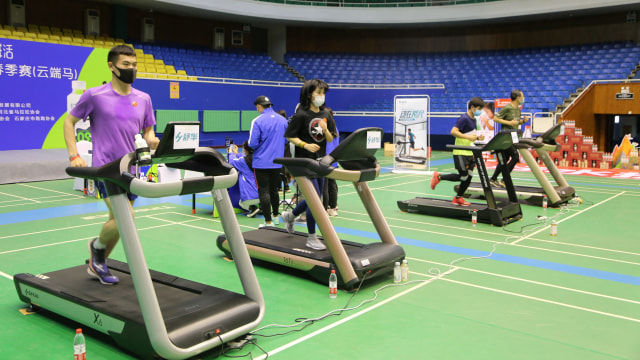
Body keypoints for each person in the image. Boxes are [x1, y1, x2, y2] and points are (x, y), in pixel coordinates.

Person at [64, 45, 159, 285]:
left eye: (134, 65)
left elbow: (148, 132)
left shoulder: (144, 99)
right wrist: (73, 154)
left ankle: (97, 263)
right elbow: (69, 122)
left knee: (116, 220)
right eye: (126, 65)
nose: (131, 69)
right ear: (111, 66)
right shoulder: (95, 96)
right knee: (125, 218)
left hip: (134, 170)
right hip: (107, 169)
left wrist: (155, 141)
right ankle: (97, 249)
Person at [282, 79, 336, 250]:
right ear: (308, 94)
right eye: (318, 92)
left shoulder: (326, 115)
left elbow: (330, 138)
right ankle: (311, 237)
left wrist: (325, 129)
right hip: (304, 163)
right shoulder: (301, 115)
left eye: (323, 93)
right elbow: (290, 135)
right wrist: (304, 145)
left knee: (316, 199)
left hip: (320, 162)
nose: (321, 96)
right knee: (315, 202)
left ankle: (290, 215)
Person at [430, 97, 485, 206]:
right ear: (472, 107)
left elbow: (469, 135)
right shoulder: (464, 118)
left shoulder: (474, 119)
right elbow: (453, 131)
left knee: (469, 177)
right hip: (461, 152)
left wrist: (478, 138)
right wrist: (468, 138)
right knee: (463, 176)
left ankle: (458, 198)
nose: (480, 111)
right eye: (479, 109)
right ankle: (439, 177)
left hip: (470, 152)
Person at [248, 95, 288, 227]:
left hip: (261, 162)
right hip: (277, 162)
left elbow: (252, 143)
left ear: (259, 106)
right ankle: (276, 217)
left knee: (263, 191)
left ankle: (268, 222)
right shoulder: (283, 120)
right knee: (274, 190)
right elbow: (287, 140)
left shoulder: (257, 121)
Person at [489, 90, 529, 188]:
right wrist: (509, 123)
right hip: (506, 137)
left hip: (513, 136)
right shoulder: (507, 108)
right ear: (517, 97)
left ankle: (493, 179)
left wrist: (523, 121)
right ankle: (504, 180)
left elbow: (516, 122)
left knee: (505, 159)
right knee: (515, 157)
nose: (523, 99)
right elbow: (495, 118)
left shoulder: (518, 109)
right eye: (522, 96)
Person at [228, 141, 259, 215]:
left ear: (246, 150)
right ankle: (261, 208)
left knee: (241, 203)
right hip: (263, 195)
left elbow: (232, 162)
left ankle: (252, 208)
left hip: (250, 197)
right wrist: (236, 153)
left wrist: (230, 153)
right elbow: (245, 158)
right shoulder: (258, 158)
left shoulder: (243, 162)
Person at [322, 107, 339, 216]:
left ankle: (325, 209)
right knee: (332, 185)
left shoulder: (325, 129)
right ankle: (333, 207)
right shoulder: (335, 127)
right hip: (334, 160)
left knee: (325, 186)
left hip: (325, 160)